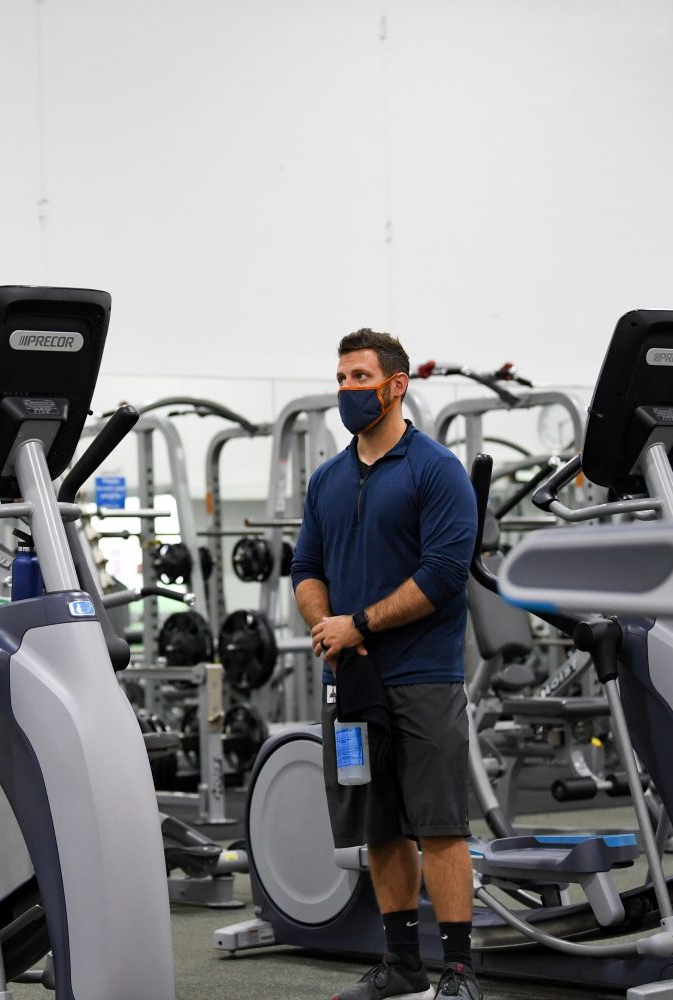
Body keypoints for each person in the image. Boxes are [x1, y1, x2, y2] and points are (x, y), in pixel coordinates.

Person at [290, 329, 482, 1000]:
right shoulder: (328, 479)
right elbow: (306, 567)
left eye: (360, 378)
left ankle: (459, 970)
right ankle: (402, 964)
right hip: (351, 681)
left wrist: (361, 624)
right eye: (341, 378)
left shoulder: (435, 470)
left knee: (439, 826)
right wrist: (327, 628)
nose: (347, 389)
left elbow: (445, 574)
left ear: (396, 386)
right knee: (379, 827)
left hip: (422, 676)